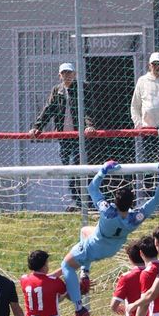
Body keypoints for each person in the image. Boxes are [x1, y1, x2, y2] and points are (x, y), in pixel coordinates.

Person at [60, 158, 159, 316]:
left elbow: (92, 187)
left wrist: (103, 171)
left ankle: (79, 309)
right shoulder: (135, 218)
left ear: (115, 200)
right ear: (132, 203)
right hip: (112, 249)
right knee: (85, 230)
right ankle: (85, 273)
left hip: (93, 247)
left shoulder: (107, 210)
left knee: (67, 266)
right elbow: (156, 201)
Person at [27, 63, 95, 211]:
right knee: (70, 170)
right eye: (64, 73)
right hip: (64, 138)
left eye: (69, 73)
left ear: (74, 74)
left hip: (79, 138)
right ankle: (78, 202)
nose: (67, 76)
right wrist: (37, 127)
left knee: (78, 168)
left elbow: (88, 109)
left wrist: (89, 125)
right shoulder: (57, 91)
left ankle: (84, 203)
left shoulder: (82, 88)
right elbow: (48, 110)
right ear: (60, 75)